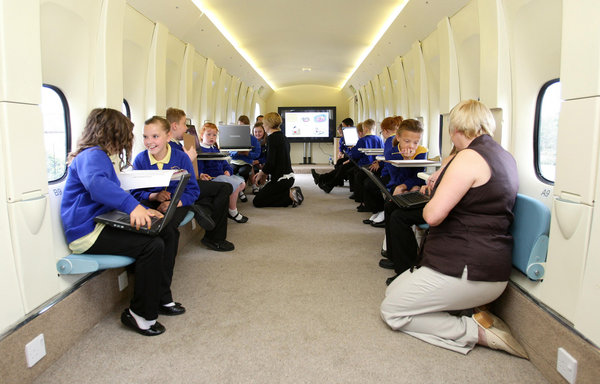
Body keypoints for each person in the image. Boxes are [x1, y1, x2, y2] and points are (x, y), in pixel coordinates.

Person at [380, 100, 527, 358]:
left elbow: (432, 215)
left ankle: (474, 330)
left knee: (391, 309)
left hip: (469, 269)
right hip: (488, 266)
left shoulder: (469, 157)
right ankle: (469, 310)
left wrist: (435, 192)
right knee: (394, 290)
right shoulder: (504, 156)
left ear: (456, 129)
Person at [60, 108, 183, 337]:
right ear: (113, 133)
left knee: (166, 232)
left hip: (101, 222)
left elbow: (111, 195)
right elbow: (98, 187)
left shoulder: (99, 157)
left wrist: (146, 210)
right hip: (87, 232)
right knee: (152, 245)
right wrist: (134, 207)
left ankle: (160, 298)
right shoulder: (91, 156)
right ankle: (139, 313)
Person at [166, 108, 234, 252]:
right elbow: (179, 173)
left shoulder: (178, 145)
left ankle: (202, 207)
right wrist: (190, 159)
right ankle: (214, 238)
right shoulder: (172, 147)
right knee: (224, 188)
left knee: (215, 192)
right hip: (182, 186)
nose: (186, 128)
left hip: (190, 182)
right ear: (174, 126)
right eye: (184, 124)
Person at [131, 116, 200, 221]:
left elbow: (193, 190)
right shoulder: (140, 160)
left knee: (168, 224)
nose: (149, 142)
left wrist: (174, 203)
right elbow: (135, 192)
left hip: (177, 201)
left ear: (168, 137)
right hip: (149, 200)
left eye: (155, 136)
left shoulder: (182, 158)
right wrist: (154, 196)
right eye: (145, 137)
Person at [197, 122, 249, 223]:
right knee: (236, 185)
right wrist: (201, 175)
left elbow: (225, 164)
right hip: (213, 178)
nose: (212, 137)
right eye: (208, 134)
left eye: (214, 135)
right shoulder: (200, 150)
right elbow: (198, 168)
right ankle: (233, 211)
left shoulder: (215, 149)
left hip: (222, 175)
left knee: (242, 183)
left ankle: (228, 206)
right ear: (201, 135)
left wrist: (228, 171)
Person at [252, 112, 303, 207]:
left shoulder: (271, 139)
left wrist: (261, 174)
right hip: (289, 178)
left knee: (258, 201)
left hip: (281, 180)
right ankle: (290, 192)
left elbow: (271, 163)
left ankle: (290, 197)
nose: (263, 125)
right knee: (268, 195)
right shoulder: (283, 137)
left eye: (264, 123)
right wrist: (264, 174)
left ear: (269, 124)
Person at [361, 116, 404, 225]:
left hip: (391, 174)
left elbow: (389, 157)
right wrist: (379, 162)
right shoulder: (392, 141)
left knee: (369, 184)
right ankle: (378, 210)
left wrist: (380, 162)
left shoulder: (391, 141)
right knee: (369, 182)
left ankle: (380, 210)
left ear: (385, 131)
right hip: (390, 171)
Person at [311, 117, 356, 193]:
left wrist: (349, 160)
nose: (342, 128)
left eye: (343, 126)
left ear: (348, 126)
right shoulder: (348, 134)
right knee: (339, 163)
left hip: (355, 160)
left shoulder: (353, 134)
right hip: (351, 157)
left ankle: (325, 182)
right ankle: (323, 179)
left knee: (342, 167)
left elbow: (355, 151)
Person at [349, 119, 383, 211]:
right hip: (376, 165)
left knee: (357, 174)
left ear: (365, 128)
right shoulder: (379, 139)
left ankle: (362, 201)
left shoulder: (362, 140)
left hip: (364, 165)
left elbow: (356, 154)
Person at [229, 115, 261, 202]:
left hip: (246, 162)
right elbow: (230, 153)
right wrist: (237, 152)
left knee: (243, 171)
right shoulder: (234, 137)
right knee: (231, 171)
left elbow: (257, 153)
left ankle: (241, 191)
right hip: (235, 161)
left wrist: (248, 154)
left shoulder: (253, 139)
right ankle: (237, 189)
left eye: (243, 126)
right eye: (239, 126)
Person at [250, 121, 267, 194]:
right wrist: (255, 161)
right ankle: (255, 185)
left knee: (266, 165)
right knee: (249, 165)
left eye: (260, 131)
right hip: (253, 161)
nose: (257, 134)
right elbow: (249, 154)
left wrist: (259, 161)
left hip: (262, 161)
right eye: (255, 132)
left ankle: (262, 185)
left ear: (264, 132)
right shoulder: (251, 142)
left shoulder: (267, 142)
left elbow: (267, 156)